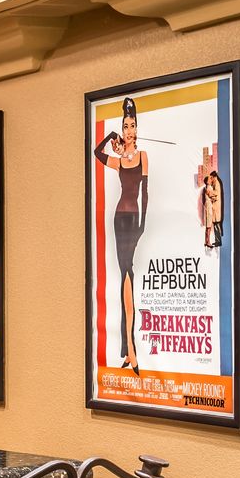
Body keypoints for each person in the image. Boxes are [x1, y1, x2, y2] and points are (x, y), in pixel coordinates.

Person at [93, 97, 149, 370]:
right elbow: (96, 152)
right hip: (118, 219)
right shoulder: (118, 162)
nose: (129, 130)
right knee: (126, 275)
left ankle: (130, 349)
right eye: (125, 126)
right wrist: (110, 136)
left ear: (137, 128)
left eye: (132, 125)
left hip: (134, 219)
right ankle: (129, 350)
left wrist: (143, 226)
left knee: (129, 276)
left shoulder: (142, 157)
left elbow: (145, 194)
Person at [202, 169, 224, 249]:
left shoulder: (216, 184)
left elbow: (216, 194)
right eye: (209, 178)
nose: (211, 179)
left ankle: (216, 241)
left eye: (211, 177)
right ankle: (210, 241)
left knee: (215, 224)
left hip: (215, 207)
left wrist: (210, 194)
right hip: (211, 207)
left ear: (214, 177)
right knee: (211, 225)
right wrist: (210, 194)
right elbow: (212, 195)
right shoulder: (210, 186)